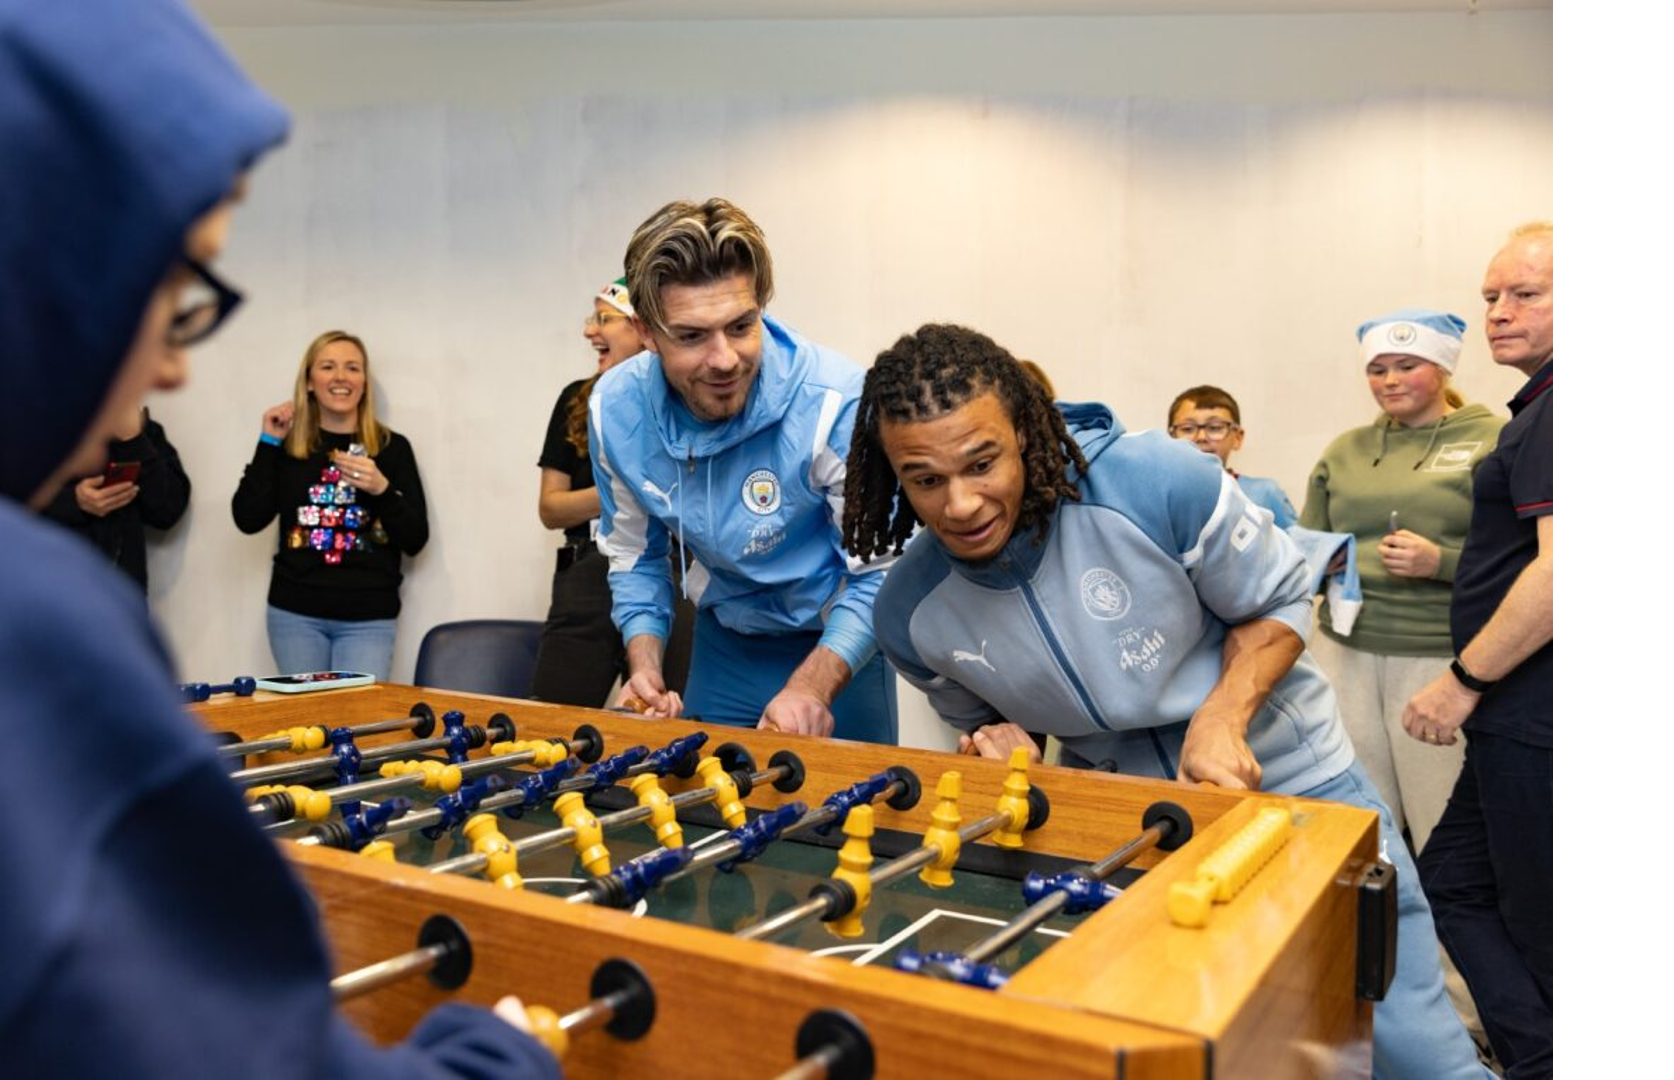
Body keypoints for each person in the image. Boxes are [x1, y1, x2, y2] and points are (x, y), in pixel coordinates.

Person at [0, 1, 555, 1076]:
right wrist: (490, 1058)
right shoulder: (1, 601)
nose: (173, 364)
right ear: (37, 257)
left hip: (366, 617)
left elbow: (409, 534)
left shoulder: (390, 449)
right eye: (171, 291)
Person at [845, 323, 1487, 1080]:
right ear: (893, 476)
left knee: (1417, 1059)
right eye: (925, 480)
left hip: (1297, 798)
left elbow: (1282, 599)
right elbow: (980, 718)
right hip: (1127, 840)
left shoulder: (1157, 480)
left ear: (1024, 430)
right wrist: (997, 746)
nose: (960, 504)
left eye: (982, 463)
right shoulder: (908, 613)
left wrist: (1223, 713)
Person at [589, 198, 897, 741]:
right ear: (646, 332)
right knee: (707, 813)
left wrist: (812, 689)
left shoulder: (835, 403)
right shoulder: (615, 410)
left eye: (741, 326)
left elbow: (878, 574)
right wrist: (644, 666)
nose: (725, 359)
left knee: (848, 819)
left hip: (837, 644)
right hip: (725, 644)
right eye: (691, 336)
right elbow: (635, 556)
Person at [1402, 224, 1554, 1080]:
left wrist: (1462, 681)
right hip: (1517, 718)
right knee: (1453, 883)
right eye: (1491, 296)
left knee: (1531, 919)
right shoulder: (1531, 410)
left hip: (1528, 714)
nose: (1498, 313)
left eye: (1524, 295)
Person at [1297, 310, 1504, 848]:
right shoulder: (1345, 451)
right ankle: (1367, 931)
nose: (1389, 381)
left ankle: (1443, 935)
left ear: (1442, 368)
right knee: (1351, 819)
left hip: (1438, 658)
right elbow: (1303, 545)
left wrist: (1441, 563)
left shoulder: (1493, 441)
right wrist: (1322, 559)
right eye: (1378, 369)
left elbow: (1523, 564)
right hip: (1345, 651)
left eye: (1406, 366)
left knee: (1442, 823)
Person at [233, 330, 429, 681]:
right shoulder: (287, 446)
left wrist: (381, 488)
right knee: (305, 728)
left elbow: (415, 538)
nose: (340, 377)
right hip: (295, 615)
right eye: (328, 366)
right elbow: (247, 518)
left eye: (352, 368)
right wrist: (268, 442)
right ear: (309, 381)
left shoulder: (392, 448)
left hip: (369, 617)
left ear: (364, 382)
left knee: (358, 727)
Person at [530, 279, 691, 705]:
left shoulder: (691, 400)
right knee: (557, 721)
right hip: (588, 574)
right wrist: (630, 492)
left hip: (677, 574)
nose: (589, 331)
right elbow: (551, 508)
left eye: (605, 319)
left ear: (642, 328)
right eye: (592, 318)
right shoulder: (579, 399)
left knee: (667, 720)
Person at [41, 406, 191, 594]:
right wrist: (73, 501)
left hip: (119, 596)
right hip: (47, 593)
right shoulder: (21, 422)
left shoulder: (137, 426)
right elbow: (2, 505)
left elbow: (168, 511)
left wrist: (133, 439)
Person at [1165, 385, 1297, 528]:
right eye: (1188, 429)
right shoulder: (1161, 498)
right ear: (1170, 438)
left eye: (1215, 427)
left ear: (1237, 438)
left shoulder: (1266, 493)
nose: (1201, 437)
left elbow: (1299, 545)